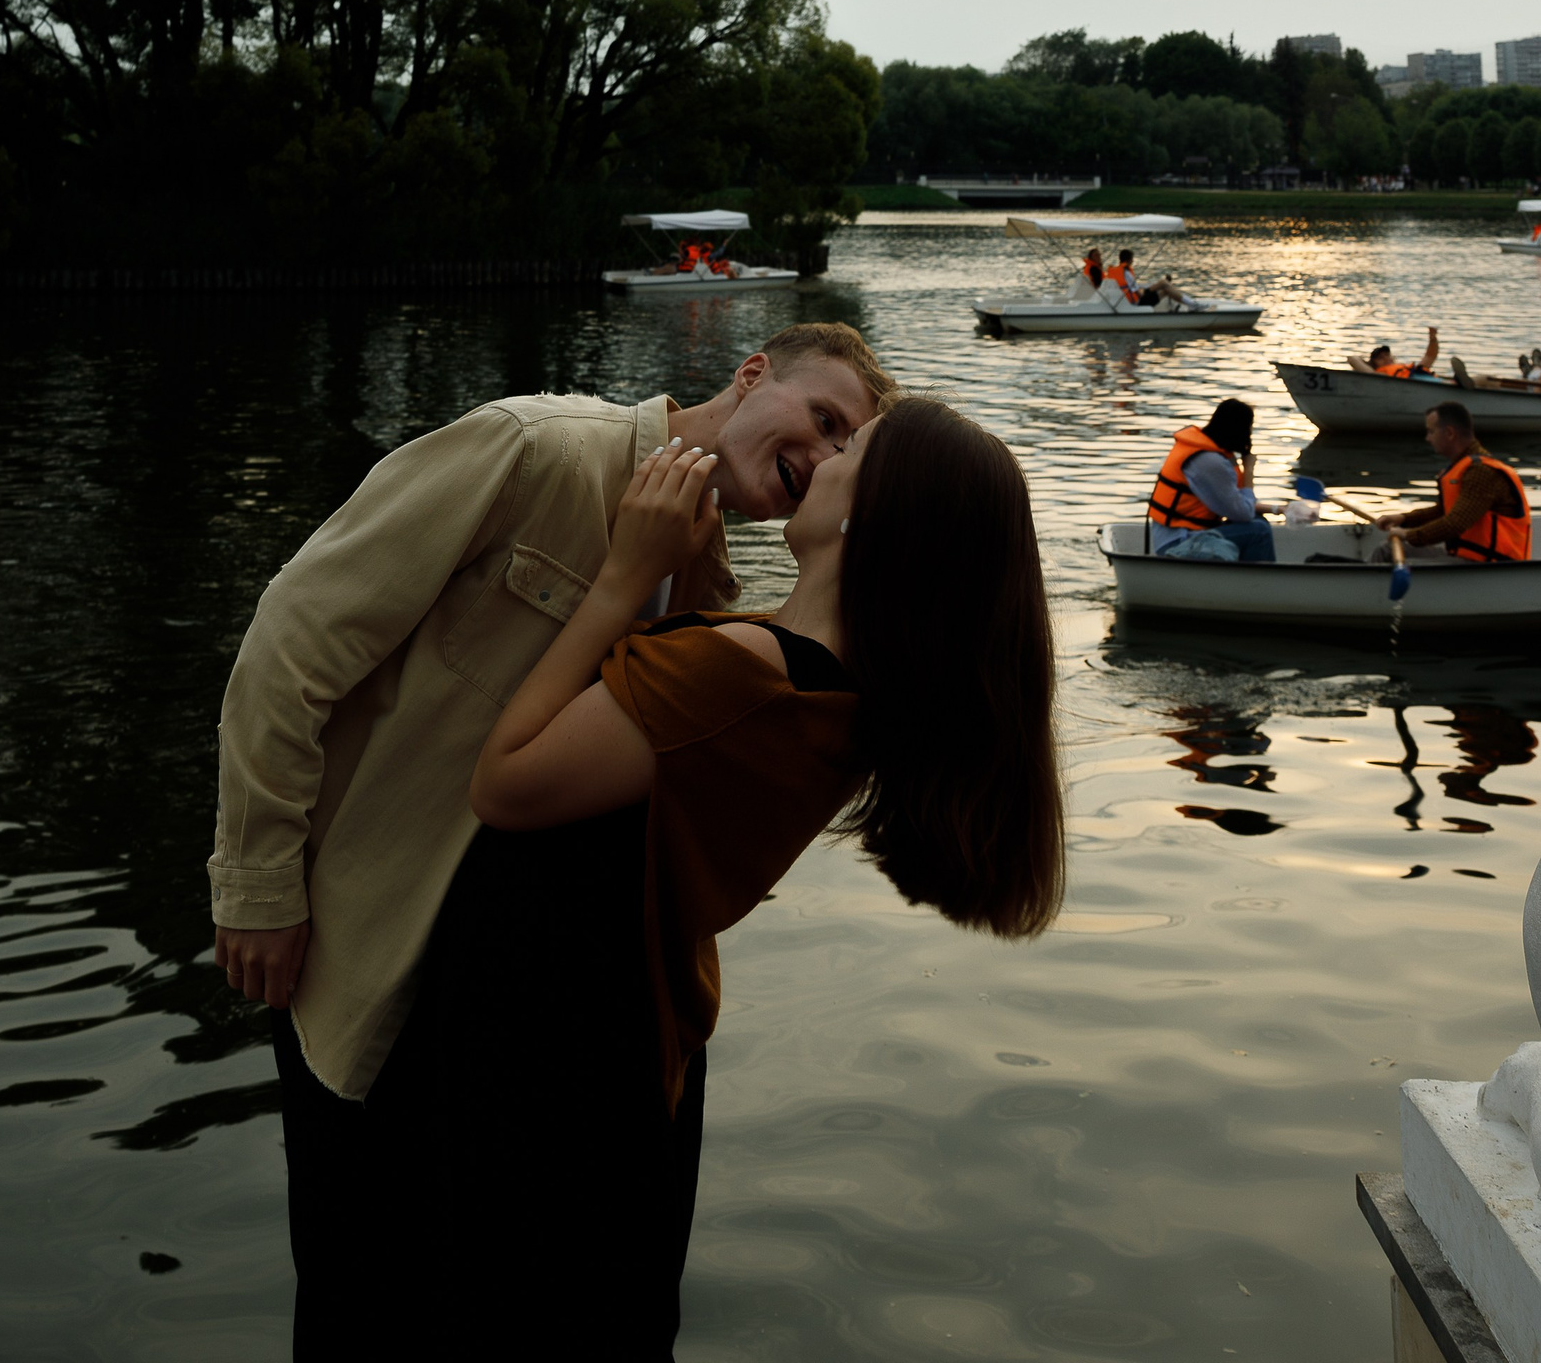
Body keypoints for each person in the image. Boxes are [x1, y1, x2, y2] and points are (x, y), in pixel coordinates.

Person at [209, 321, 896, 1358]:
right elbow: (292, 643)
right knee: (359, 1291)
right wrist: (258, 886)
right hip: (370, 942)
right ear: (753, 373)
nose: (825, 454)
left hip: (493, 1015)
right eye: (824, 417)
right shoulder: (539, 451)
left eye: (848, 450)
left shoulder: (707, 576)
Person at [374, 398, 1064, 1359]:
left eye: (851, 448)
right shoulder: (830, 692)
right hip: (618, 1040)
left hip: (552, 1062)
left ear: (872, 515)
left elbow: (505, 782)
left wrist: (623, 578)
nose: (825, 459)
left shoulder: (745, 677)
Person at [1379, 400, 1531, 562]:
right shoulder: (1465, 466)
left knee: (1395, 555)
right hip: (1462, 556)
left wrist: (1409, 535)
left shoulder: (1481, 471)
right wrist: (1403, 519)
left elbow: (1456, 523)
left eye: (1431, 431)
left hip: (1489, 565)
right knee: (1386, 550)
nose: (1427, 438)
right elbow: (1443, 511)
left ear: (1450, 433)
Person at [1145, 399, 1275, 559]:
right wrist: (1249, 470)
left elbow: (1241, 506)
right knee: (1259, 531)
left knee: (1259, 522)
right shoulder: (1211, 462)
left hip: (1180, 534)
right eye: (1249, 428)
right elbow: (1244, 513)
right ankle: (1259, 576)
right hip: (1178, 543)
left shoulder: (1202, 450)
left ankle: (1244, 573)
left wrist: (1278, 509)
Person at [1355, 328, 1440, 379]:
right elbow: (1353, 359)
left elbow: (1430, 357)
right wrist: (1367, 364)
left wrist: (1433, 338)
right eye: (1380, 358)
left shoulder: (1408, 370)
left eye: (1387, 355)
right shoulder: (1380, 375)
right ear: (1374, 365)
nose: (1386, 359)